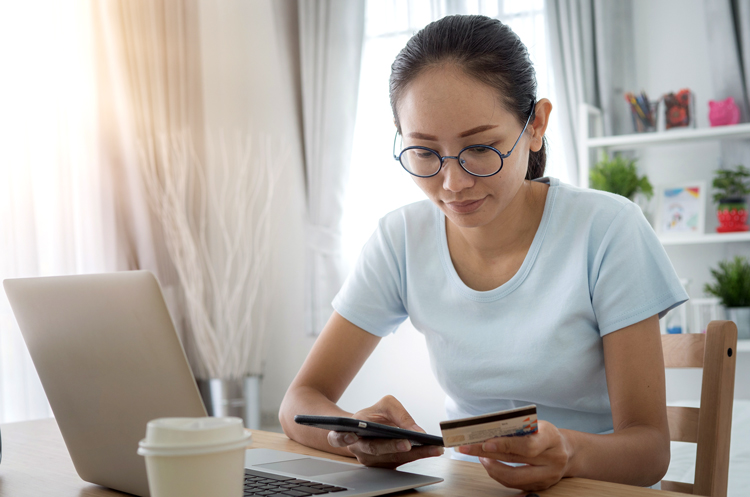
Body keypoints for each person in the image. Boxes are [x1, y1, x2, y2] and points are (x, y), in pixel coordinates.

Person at [279, 14, 687, 492]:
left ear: (535, 125)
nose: (453, 184)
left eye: (480, 147)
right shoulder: (401, 239)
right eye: (425, 153)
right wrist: (355, 435)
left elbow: (650, 451)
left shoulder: (608, 230)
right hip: (469, 486)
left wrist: (569, 453)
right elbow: (300, 400)